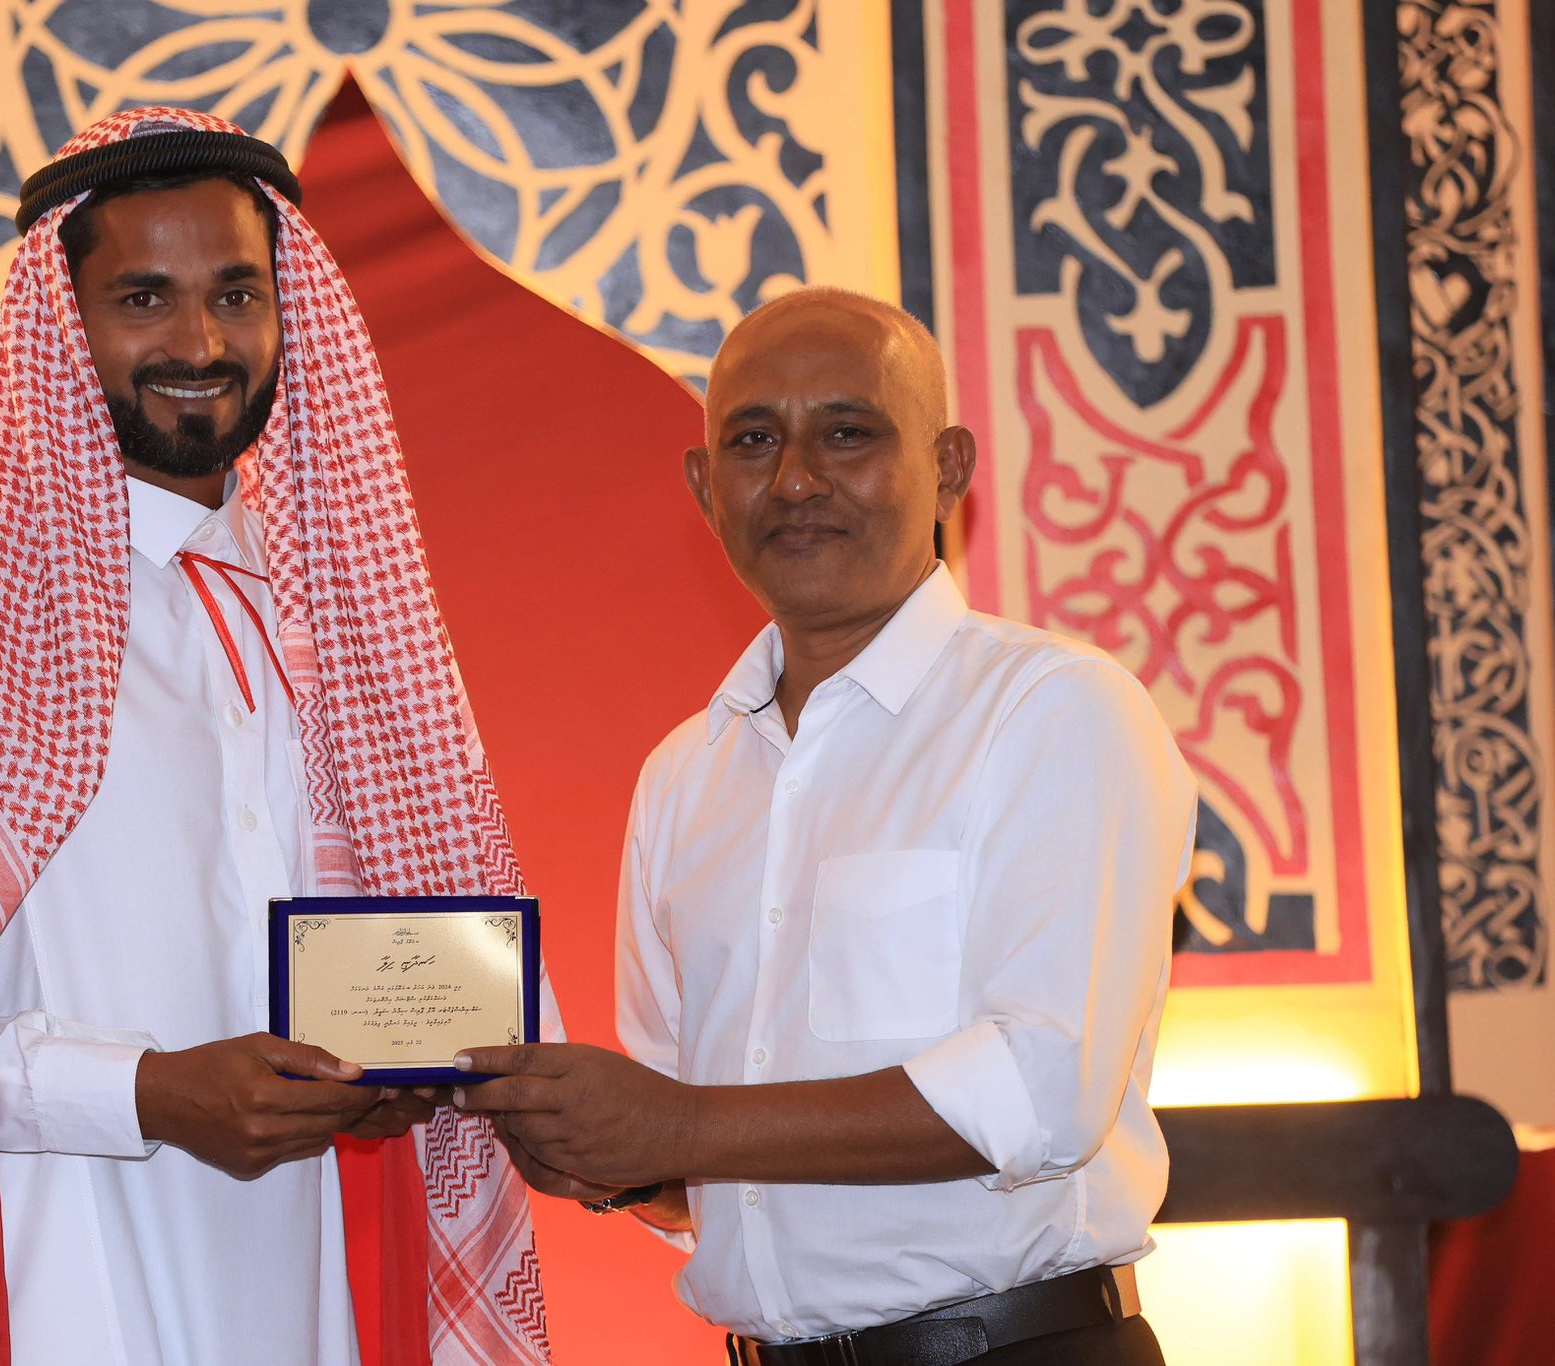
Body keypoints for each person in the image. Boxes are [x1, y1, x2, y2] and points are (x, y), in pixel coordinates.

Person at [0, 110, 551, 1366]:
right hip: (59, 1271)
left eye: (236, 293)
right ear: (64, 324)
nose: (200, 342)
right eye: (142, 298)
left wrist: (409, 1069)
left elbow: (422, 947)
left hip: (313, 1275)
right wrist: (146, 1092)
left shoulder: (340, 615)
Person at [455, 288, 1196, 1365]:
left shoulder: (1053, 710)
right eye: (753, 441)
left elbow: (1041, 1090)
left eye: (848, 433)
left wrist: (676, 1126)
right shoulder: (684, 777)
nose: (796, 479)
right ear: (704, 487)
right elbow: (689, 1161)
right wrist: (600, 1155)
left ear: (947, 468)